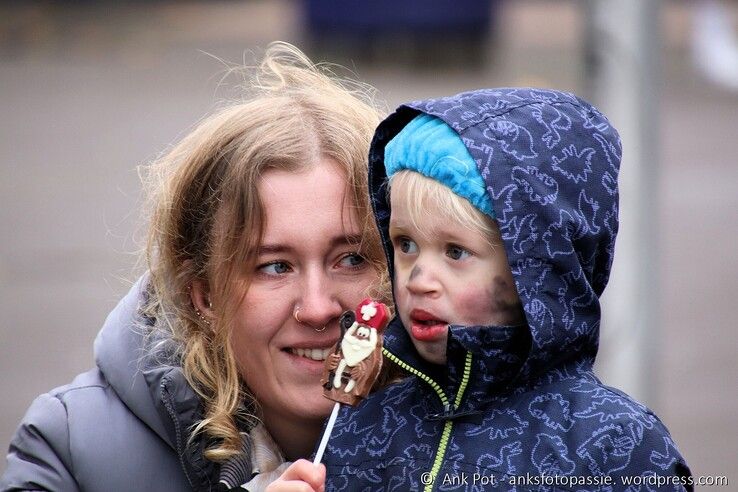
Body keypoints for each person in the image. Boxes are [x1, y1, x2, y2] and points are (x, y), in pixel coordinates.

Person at [0, 42, 387, 492]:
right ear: (204, 296)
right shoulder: (68, 444)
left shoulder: (471, 441)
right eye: (275, 267)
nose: (318, 308)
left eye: (352, 259)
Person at [318, 88, 693, 490]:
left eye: (456, 252)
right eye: (405, 245)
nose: (417, 280)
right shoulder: (366, 419)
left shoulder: (613, 446)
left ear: (534, 270)